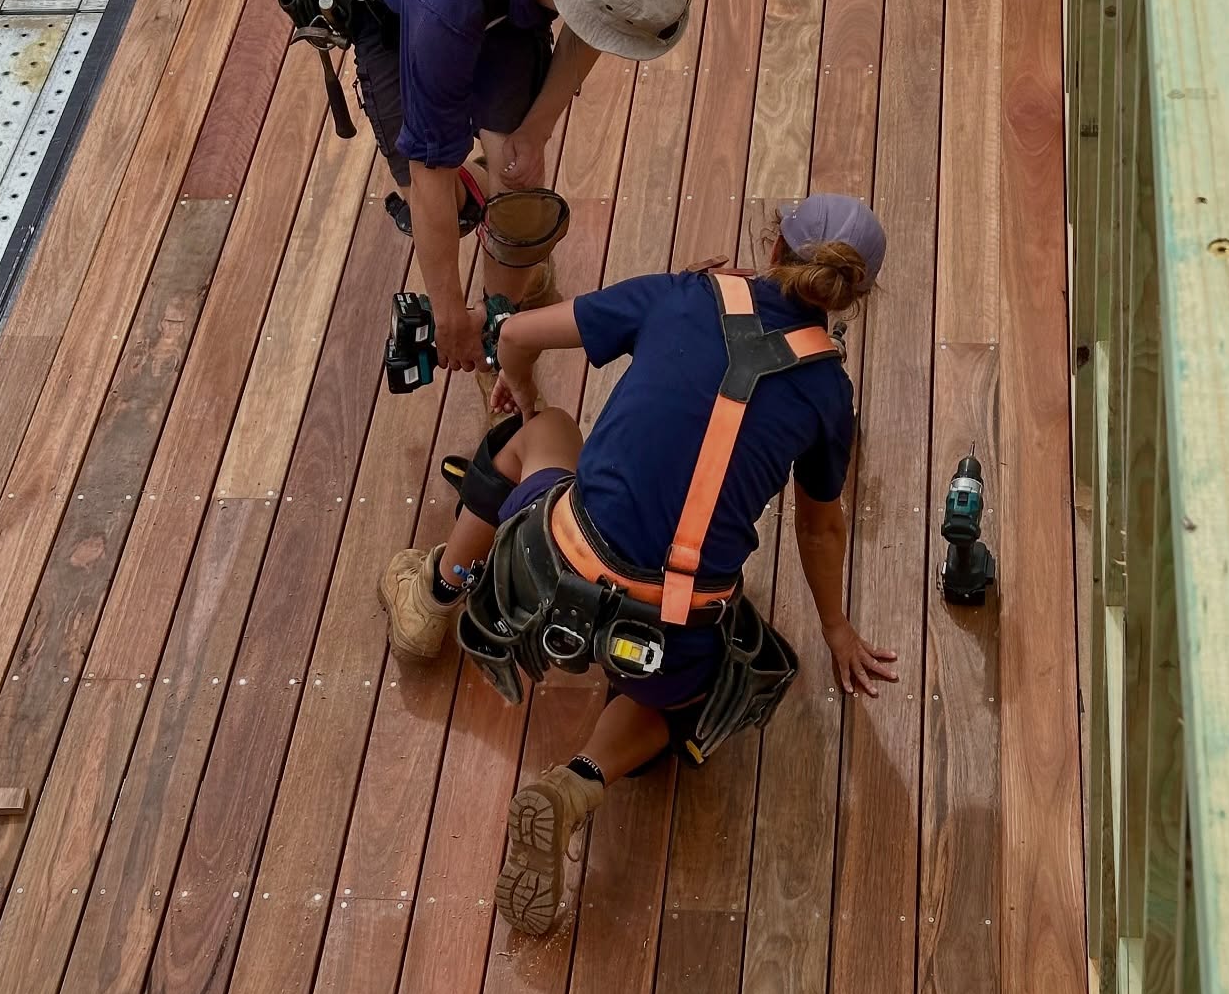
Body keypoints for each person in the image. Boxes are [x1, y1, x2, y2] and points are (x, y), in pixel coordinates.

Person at [378, 193, 898, 938]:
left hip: (553, 564)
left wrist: (521, 401)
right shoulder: (826, 394)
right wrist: (838, 629)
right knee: (695, 692)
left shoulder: (683, 293)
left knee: (548, 431)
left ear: (774, 243)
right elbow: (821, 529)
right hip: (665, 621)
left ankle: (431, 595)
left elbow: (519, 334)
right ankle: (577, 781)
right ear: (854, 295)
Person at [283, 0, 692, 384]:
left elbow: (592, 28)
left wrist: (535, 128)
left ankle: (503, 315)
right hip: (395, 1)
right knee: (434, 196)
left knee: (518, 172)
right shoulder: (443, 6)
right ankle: (476, 213)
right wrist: (449, 315)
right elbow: (429, 169)